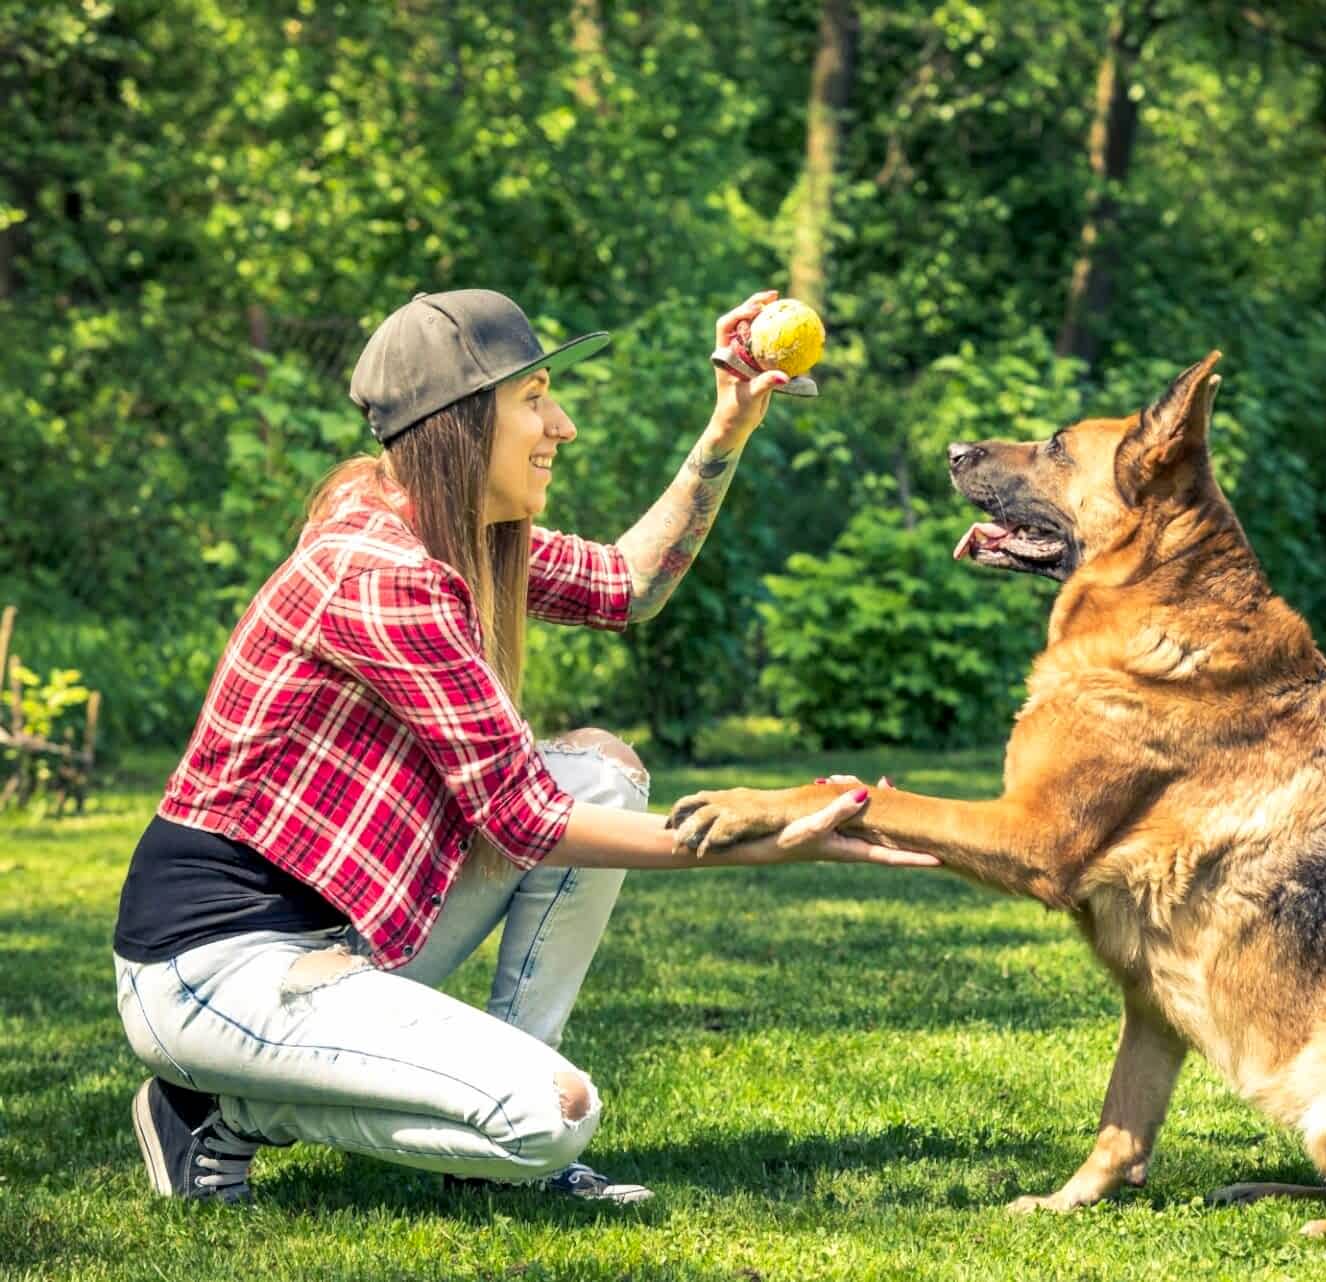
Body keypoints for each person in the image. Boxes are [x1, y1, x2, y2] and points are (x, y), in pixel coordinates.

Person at [111, 288, 933, 1206]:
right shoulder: (383, 575)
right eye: (535, 398)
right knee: (553, 1114)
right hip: (217, 967)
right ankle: (218, 1112)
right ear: (458, 422)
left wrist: (729, 423)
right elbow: (524, 820)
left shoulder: (456, 531)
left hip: (344, 931)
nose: (563, 426)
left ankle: (471, 1102)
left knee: (602, 770)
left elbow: (627, 585)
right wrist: (769, 839)